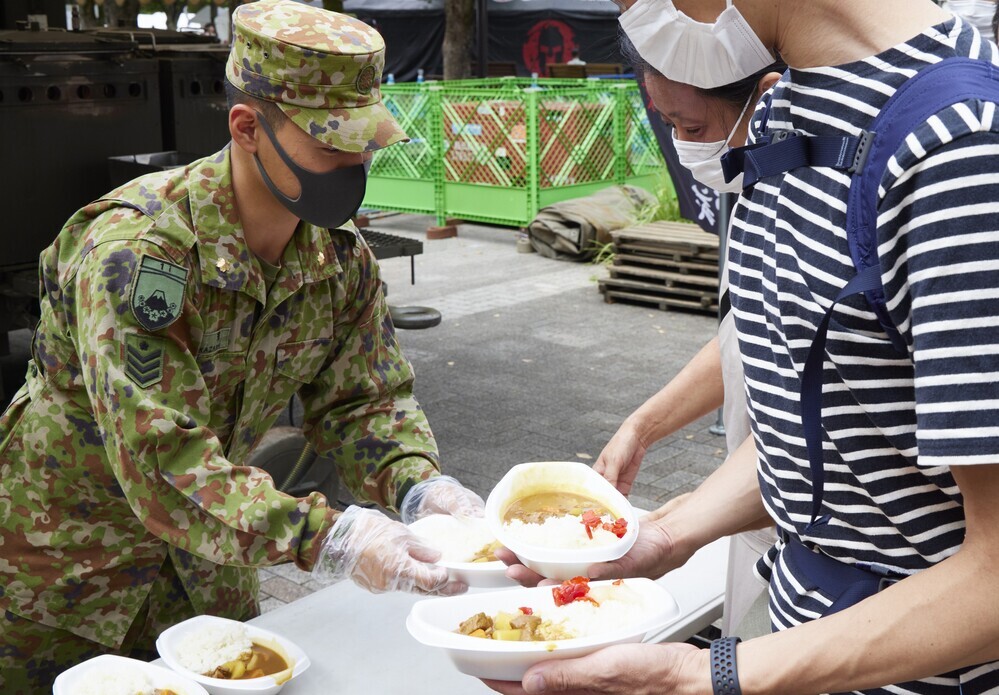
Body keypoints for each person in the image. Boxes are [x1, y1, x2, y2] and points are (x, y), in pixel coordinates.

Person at [486, 1, 999, 694]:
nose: (628, 11)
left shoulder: (961, 150)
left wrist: (701, 675)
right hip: (802, 631)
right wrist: (663, 536)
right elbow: (831, 423)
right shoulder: (784, 108)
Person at [0, 1, 483, 691]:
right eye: (330, 143)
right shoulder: (141, 255)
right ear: (247, 127)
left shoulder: (339, 262)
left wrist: (419, 486)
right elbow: (163, 454)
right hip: (68, 576)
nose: (354, 162)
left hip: (205, 575)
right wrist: (332, 536)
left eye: (364, 142)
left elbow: (362, 400)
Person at [594, 48, 783, 638]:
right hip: (751, 516)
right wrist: (641, 426)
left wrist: (680, 528)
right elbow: (745, 337)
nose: (683, 147)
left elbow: (825, 423)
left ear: (767, 93)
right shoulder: (756, 180)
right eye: (669, 125)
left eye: (693, 127)